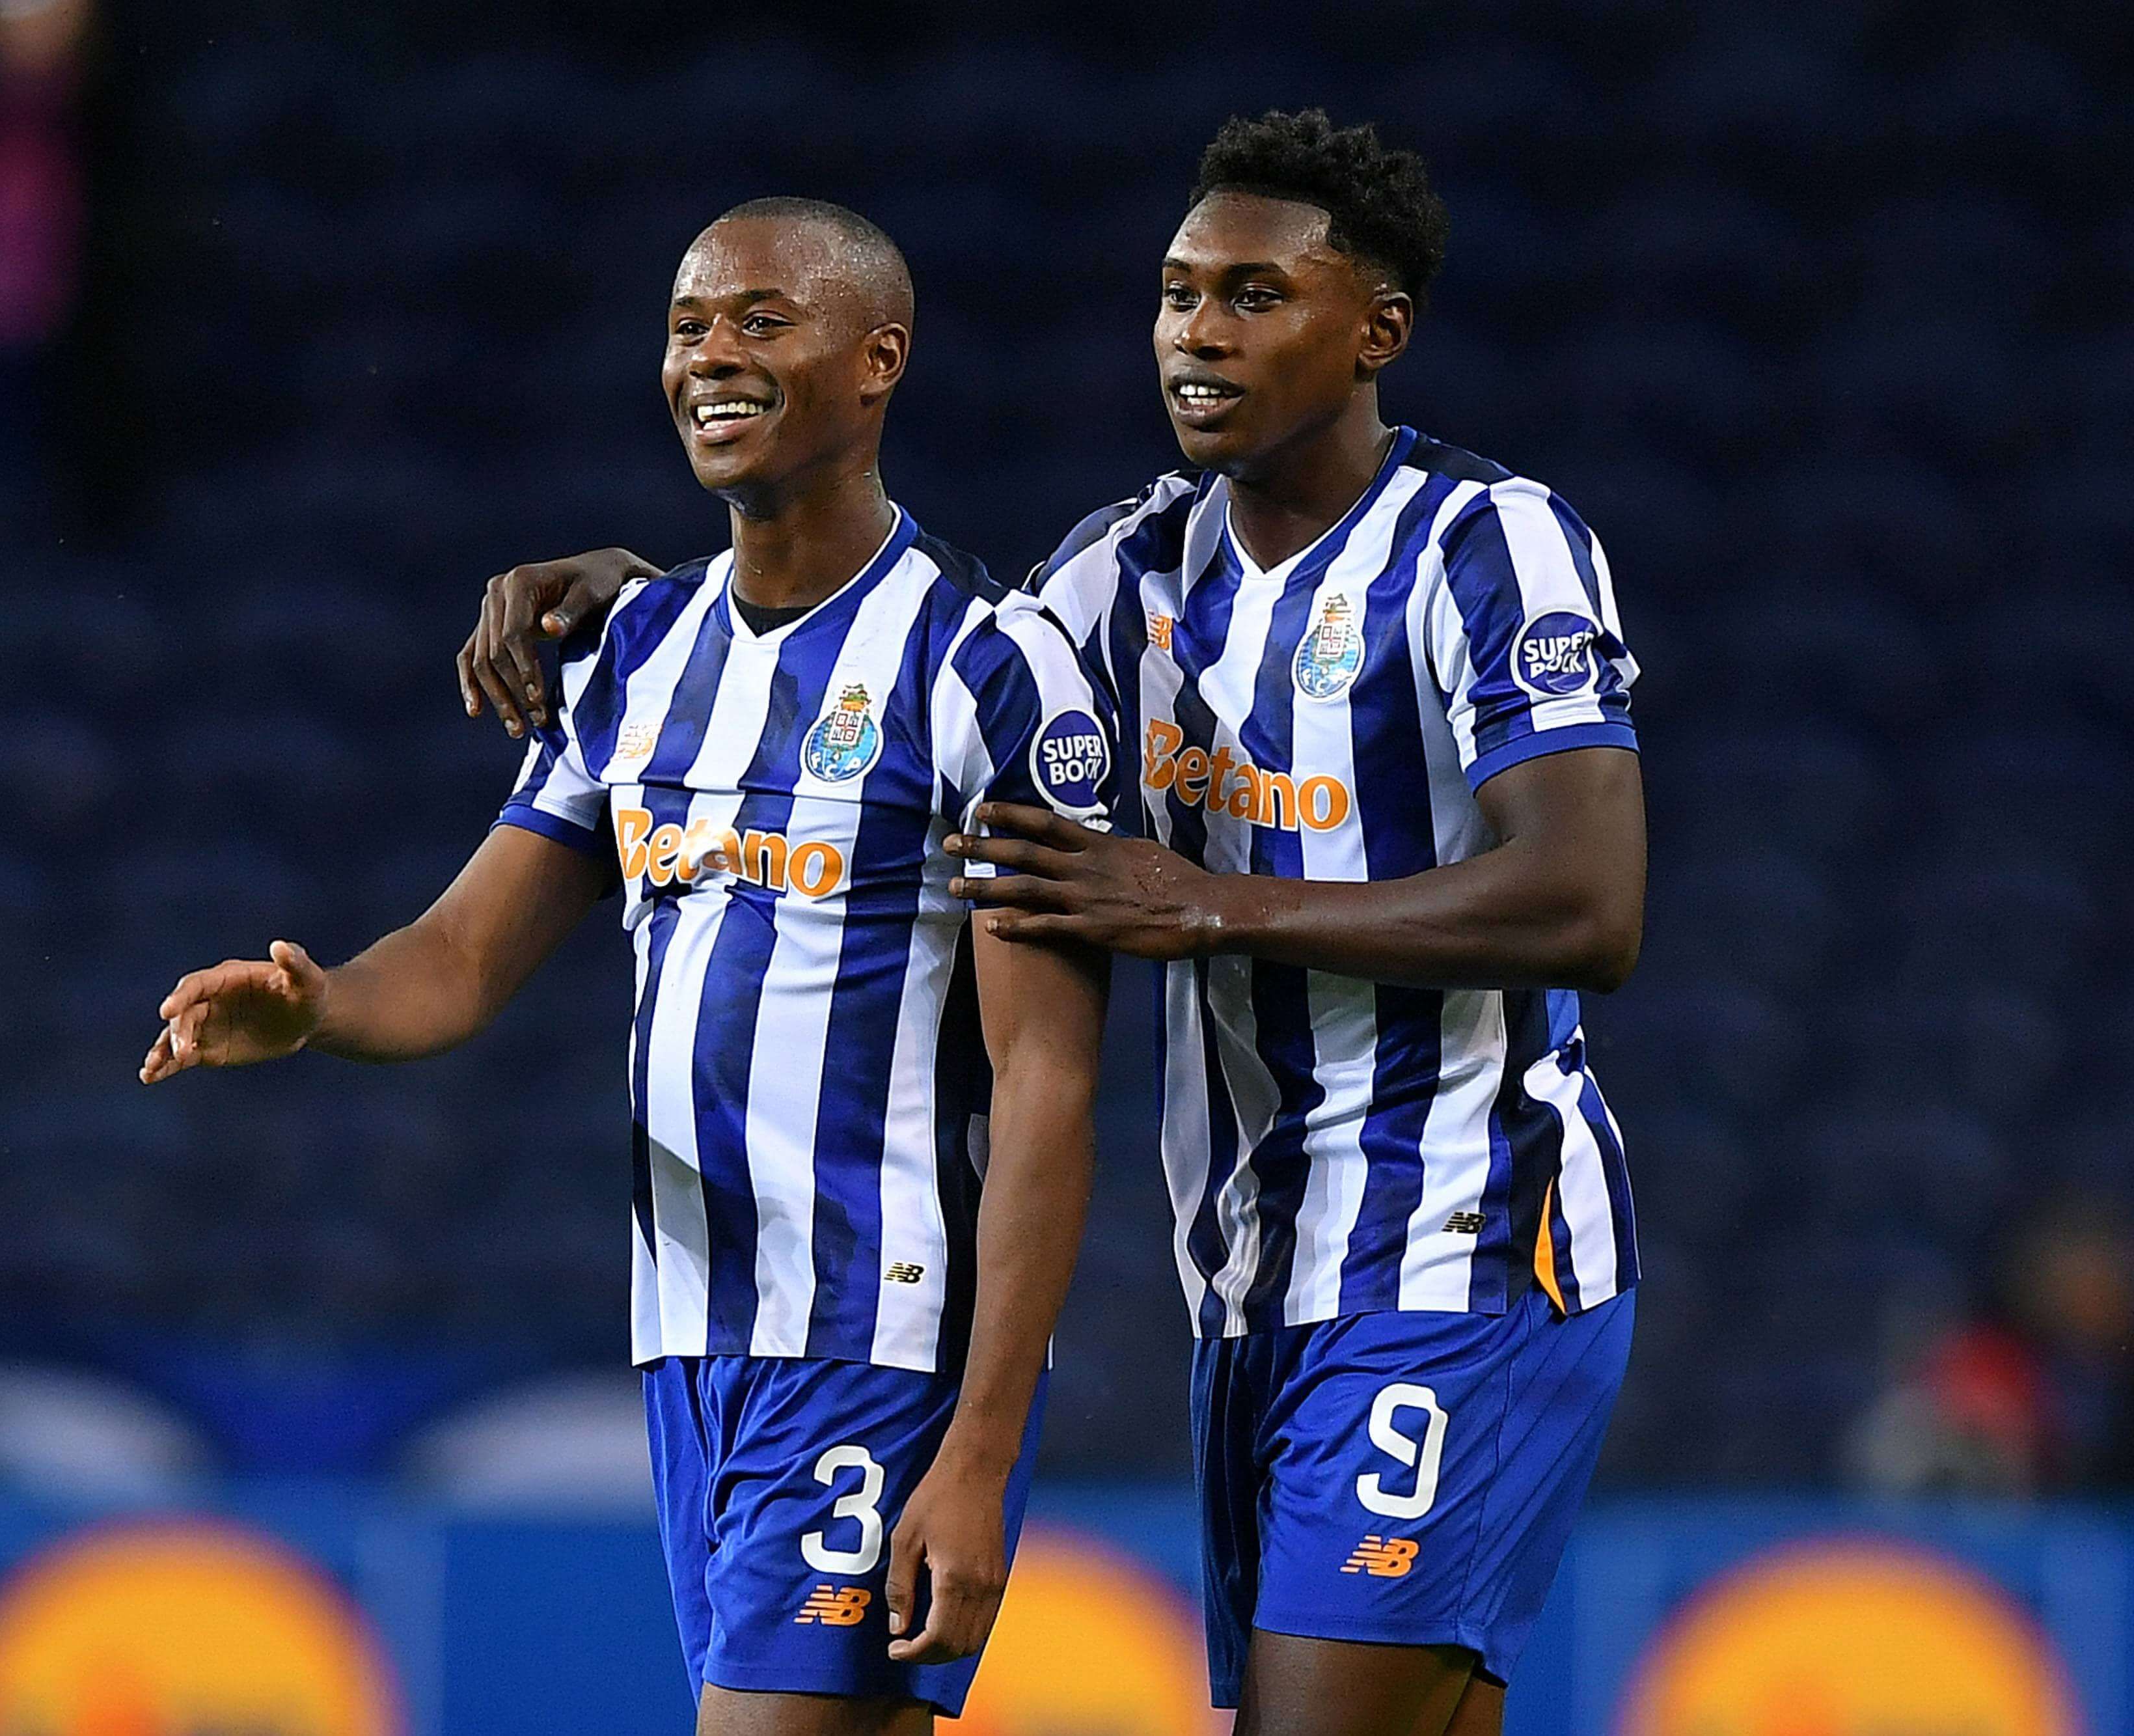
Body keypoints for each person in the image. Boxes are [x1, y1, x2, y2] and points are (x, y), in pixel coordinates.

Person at [455, 114, 1646, 1736]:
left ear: (1376, 330)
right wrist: (658, 587)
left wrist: (1212, 900)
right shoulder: (1122, 570)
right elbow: (903, 639)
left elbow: (1587, 901)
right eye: (1174, 294)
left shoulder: (1485, 544)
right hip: (1251, 1273)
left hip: (1464, 1238)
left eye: (1251, 293)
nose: (1198, 331)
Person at [148, 197, 1114, 1735]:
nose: (708, 357)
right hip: (688, 1340)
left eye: (756, 320)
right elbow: (460, 955)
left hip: (873, 1336)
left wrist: (981, 1447)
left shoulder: (980, 664)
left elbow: (1049, 1081)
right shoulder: (639, 652)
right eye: (684, 325)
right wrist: (320, 1003)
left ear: (878, 361)